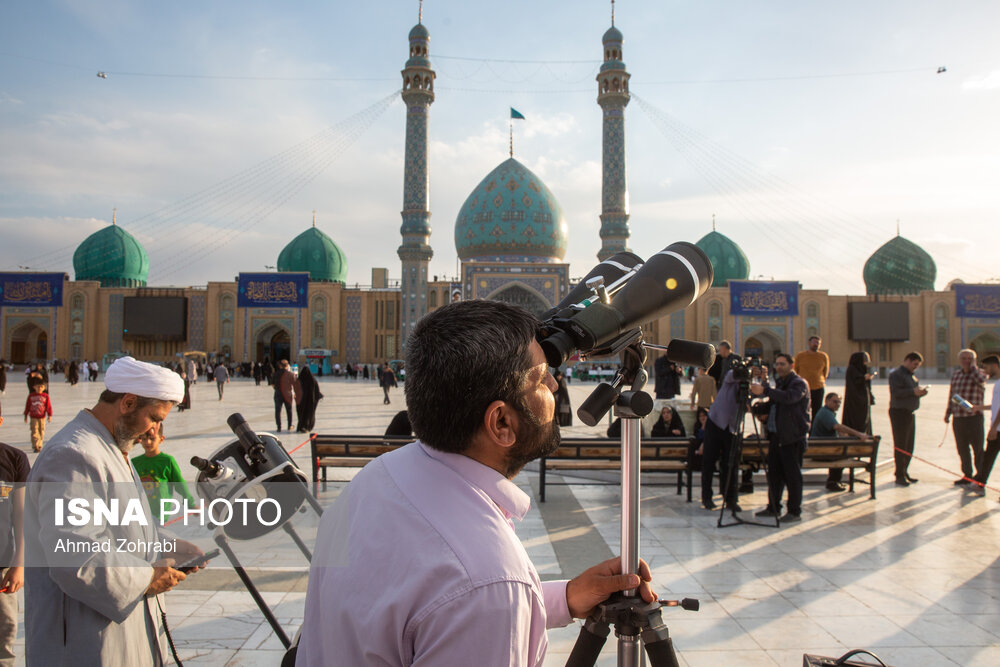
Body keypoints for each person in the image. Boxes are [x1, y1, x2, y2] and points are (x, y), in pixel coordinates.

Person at [296, 300, 657, 666]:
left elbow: (428, 611)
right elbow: (475, 599)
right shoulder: (486, 580)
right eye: (540, 377)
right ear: (501, 423)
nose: (554, 382)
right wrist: (507, 597)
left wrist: (564, 597)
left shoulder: (374, 480)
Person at [24, 356, 204, 666]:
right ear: (128, 403)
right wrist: (146, 577)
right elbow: (73, 551)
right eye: (154, 417)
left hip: (110, 632)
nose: (155, 430)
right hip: (82, 639)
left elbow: (120, 523)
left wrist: (167, 543)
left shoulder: (110, 449)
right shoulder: (74, 455)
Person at [752, 353, 810, 522]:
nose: (779, 367)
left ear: (792, 366)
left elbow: (788, 398)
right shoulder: (781, 384)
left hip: (792, 437)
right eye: (777, 364)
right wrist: (755, 405)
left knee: (792, 476)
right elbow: (773, 403)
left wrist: (766, 390)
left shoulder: (799, 384)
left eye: (782, 364)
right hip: (778, 436)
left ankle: (794, 511)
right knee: (775, 475)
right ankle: (773, 507)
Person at [0, 404, 29, 667]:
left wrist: (19, 564)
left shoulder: (14, 459)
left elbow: (22, 517)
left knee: (4, 639)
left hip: (3, 568)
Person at [828, 351, 875, 490]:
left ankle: (841, 477)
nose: (866, 363)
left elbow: (864, 389)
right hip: (855, 417)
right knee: (847, 446)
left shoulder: (860, 371)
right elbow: (856, 388)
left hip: (861, 416)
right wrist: (863, 378)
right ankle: (834, 479)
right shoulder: (853, 371)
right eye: (864, 360)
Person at [132, 423, 196, 523]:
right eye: (144, 439)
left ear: (161, 439)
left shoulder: (167, 461)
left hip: (160, 513)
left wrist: (190, 503)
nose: (147, 442)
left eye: (152, 438)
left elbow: (179, 483)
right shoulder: (135, 462)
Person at [700, 369, 743, 511]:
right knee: (709, 462)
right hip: (716, 422)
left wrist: (762, 378)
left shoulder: (751, 384)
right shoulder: (731, 378)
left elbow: (761, 392)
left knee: (730, 464)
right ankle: (707, 497)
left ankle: (731, 499)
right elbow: (731, 374)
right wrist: (747, 372)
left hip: (732, 427)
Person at [944, 348, 987, 485]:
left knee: (978, 449)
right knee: (962, 448)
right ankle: (967, 475)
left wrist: (973, 368)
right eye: (964, 358)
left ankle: (980, 475)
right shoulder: (956, 375)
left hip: (974, 417)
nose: (966, 361)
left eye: (970, 359)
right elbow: (953, 395)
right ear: (960, 360)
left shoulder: (980, 373)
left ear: (974, 360)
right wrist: (948, 412)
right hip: (959, 418)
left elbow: (981, 380)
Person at [811, 392, 872, 485]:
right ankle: (833, 481)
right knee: (845, 454)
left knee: (842, 453)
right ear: (827, 401)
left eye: (839, 402)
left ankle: (834, 480)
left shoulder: (827, 412)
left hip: (821, 450)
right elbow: (837, 426)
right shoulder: (825, 413)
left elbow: (837, 429)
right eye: (835, 402)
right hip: (821, 452)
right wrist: (858, 434)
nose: (838, 405)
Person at [888, 352, 929, 486]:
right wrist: (913, 392)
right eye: (915, 364)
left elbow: (911, 392)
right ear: (907, 361)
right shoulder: (896, 375)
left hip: (909, 413)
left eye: (918, 365)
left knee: (909, 445)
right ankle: (899, 475)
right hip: (899, 412)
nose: (916, 367)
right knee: (901, 444)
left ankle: (904, 471)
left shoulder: (911, 375)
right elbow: (896, 392)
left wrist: (920, 393)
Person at [972, 355, 1000, 493]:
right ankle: (980, 483)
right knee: (988, 457)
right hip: (996, 428)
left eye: (987, 367)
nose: (985, 371)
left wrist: (994, 428)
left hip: (998, 428)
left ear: (994, 365)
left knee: (988, 456)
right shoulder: (997, 383)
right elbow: (996, 405)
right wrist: (979, 407)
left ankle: (980, 482)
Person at [793, 336, 830, 420]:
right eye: (814, 342)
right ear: (809, 343)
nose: (816, 344)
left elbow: (825, 372)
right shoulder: (800, 356)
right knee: (802, 409)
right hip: (803, 388)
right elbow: (795, 371)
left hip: (818, 387)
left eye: (818, 343)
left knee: (817, 410)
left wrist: (819, 380)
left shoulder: (823, 356)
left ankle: (814, 430)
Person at [23, 381, 53, 453]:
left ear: (44, 388)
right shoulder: (31, 396)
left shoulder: (45, 396)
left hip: (42, 417)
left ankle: (39, 444)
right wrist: (26, 415)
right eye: (38, 387)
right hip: (33, 417)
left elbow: (48, 406)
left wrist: (50, 415)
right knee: (34, 431)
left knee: (41, 431)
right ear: (34, 387)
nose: (39, 388)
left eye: (41, 387)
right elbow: (27, 405)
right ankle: (36, 445)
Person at [272, 359, 301, 431]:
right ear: (287, 365)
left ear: (280, 366)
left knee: (278, 411)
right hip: (287, 394)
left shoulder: (276, 374)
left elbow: (272, 384)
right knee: (289, 410)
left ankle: (279, 427)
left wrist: (277, 388)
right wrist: (295, 393)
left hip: (278, 393)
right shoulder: (290, 374)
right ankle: (289, 426)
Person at [296, 366, 323, 433]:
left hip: (301, 401)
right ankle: (308, 426)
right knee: (309, 414)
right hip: (310, 402)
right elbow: (317, 391)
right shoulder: (313, 380)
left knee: (301, 413)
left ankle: (301, 426)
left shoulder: (299, 380)